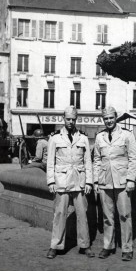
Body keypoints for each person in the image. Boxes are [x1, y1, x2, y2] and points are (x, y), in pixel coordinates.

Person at [46, 106, 94, 259]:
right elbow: (50, 163)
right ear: (63, 119)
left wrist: (89, 182)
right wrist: (51, 181)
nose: (70, 122)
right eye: (68, 119)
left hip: (79, 181)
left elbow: (88, 162)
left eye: (73, 119)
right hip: (61, 180)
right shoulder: (55, 138)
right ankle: (55, 245)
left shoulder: (83, 138)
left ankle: (84, 245)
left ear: (76, 120)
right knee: (59, 213)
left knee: (82, 214)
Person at [93, 106, 136, 261]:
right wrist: (95, 181)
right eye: (106, 119)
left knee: (125, 215)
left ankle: (127, 248)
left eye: (111, 118)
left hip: (122, 181)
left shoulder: (127, 135)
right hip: (105, 181)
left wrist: (131, 179)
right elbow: (97, 160)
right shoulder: (100, 137)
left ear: (116, 117)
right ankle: (108, 246)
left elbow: (133, 158)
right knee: (107, 216)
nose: (109, 121)